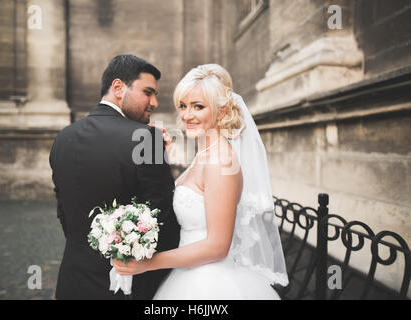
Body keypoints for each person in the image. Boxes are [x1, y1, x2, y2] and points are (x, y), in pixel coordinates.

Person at [113, 64, 289, 299]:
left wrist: (148, 263)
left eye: (198, 107)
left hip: (209, 283)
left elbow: (217, 246)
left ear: (222, 111)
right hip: (188, 273)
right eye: (183, 106)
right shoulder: (204, 154)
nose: (187, 115)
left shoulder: (220, 162)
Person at [49, 54, 180, 300]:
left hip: (72, 281)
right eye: (148, 92)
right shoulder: (148, 139)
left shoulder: (62, 138)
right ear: (118, 87)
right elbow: (164, 219)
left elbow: (64, 212)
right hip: (127, 286)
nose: (154, 102)